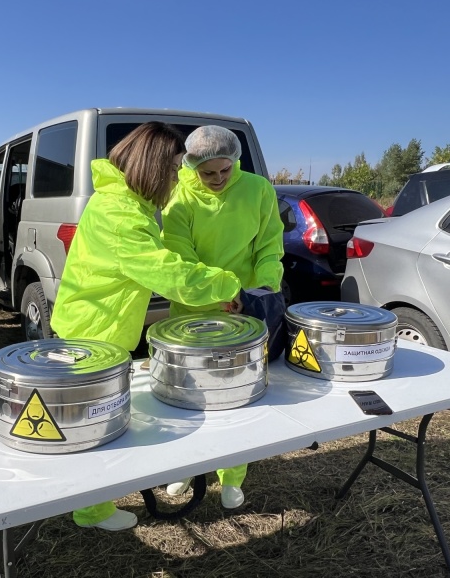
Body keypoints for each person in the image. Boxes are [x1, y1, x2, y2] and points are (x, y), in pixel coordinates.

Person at [50, 122, 242, 531]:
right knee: (93, 423)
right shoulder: (122, 215)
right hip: (94, 335)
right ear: (154, 168)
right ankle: (91, 510)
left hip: (96, 326)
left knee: (93, 419)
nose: (176, 178)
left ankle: (92, 506)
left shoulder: (122, 201)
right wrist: (228, 283)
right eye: (173, 170)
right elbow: (170, 275)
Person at [160, 125, 285, 509]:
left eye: (225, 171)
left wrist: (259, 291)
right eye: (207, 173)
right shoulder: (178, 196)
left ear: (236, 162)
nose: (217, 180)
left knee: (237, 395)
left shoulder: (258, 189)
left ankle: (233, 475)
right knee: (187, 394)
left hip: (244, 310)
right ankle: (185, 467)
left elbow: (268, 245)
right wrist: (219, 294)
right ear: (192, 167)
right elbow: (180, 258)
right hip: (194, 310)